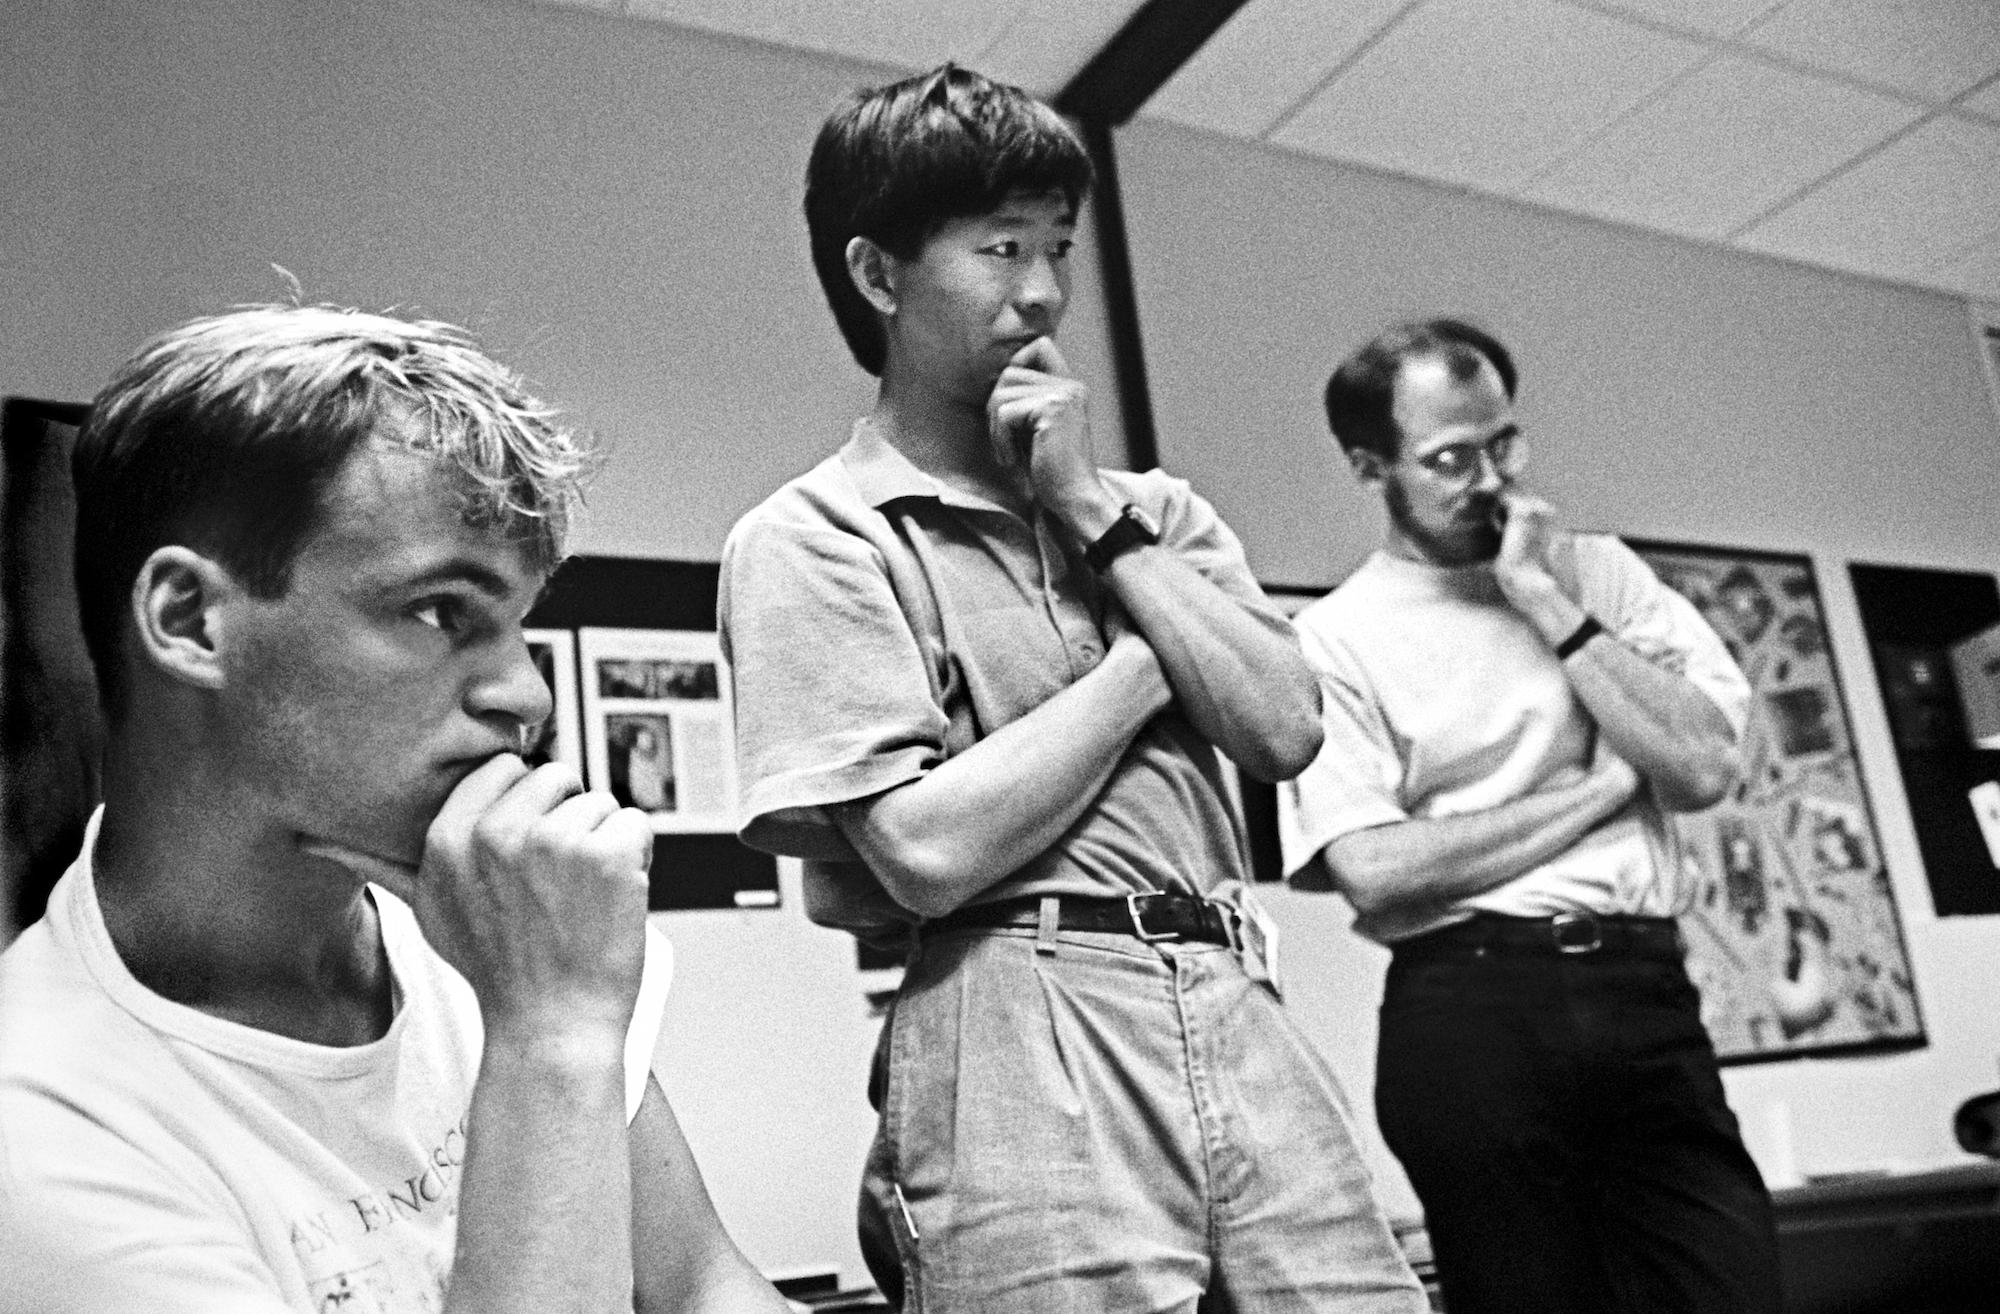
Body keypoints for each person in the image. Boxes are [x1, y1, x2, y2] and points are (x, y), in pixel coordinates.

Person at [719, 65, 1425, 1313]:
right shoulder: (815, 535)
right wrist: (1152, 657)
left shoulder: (1154, 512)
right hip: (1010, 1013)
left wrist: (1088, 509)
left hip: (1228, 981)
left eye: (1057, 248)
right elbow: (925, 851)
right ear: (879, 275)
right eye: (999, 250)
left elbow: (1281, 727)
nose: (1041, 293)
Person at [0, 305, 791, 1314]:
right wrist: (551, 1037)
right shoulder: (40, 1124)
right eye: (437, 610)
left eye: (516, 624)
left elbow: (702, 1291)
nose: (528, 697)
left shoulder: (479, 940)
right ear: (191, 621)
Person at [1285, 318, 1782, 1313]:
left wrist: (1542, 599)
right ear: (1366, 465)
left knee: (1730, 1289)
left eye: (1502, 441)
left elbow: (1699, 765)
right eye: (1448, 458)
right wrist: (1600, 789)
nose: (1490, 479)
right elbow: (1373, 869)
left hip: (1643, 992)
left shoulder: (1597, 572)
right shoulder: (1332, 637)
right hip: (1470, 1010)